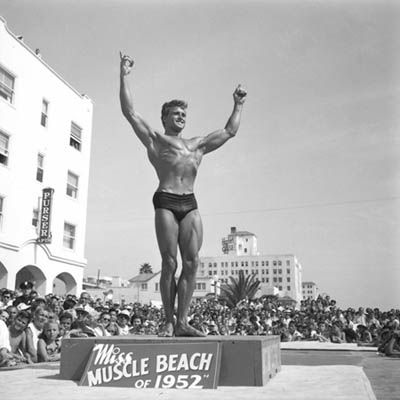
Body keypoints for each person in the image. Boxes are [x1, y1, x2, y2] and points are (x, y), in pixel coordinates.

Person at [119, 52, 247, 337]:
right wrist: (124, 74)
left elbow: (229, 131)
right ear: (164, 117)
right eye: (176, 113)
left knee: (192, 262)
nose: (181, 117)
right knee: (169, 262)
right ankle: (167, 320)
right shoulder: (156, 140)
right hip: (165, 200)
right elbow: (129, 112)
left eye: (184, 114)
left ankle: (183, 322)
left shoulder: (197, 145)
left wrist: (237, 104)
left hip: (190, 203)